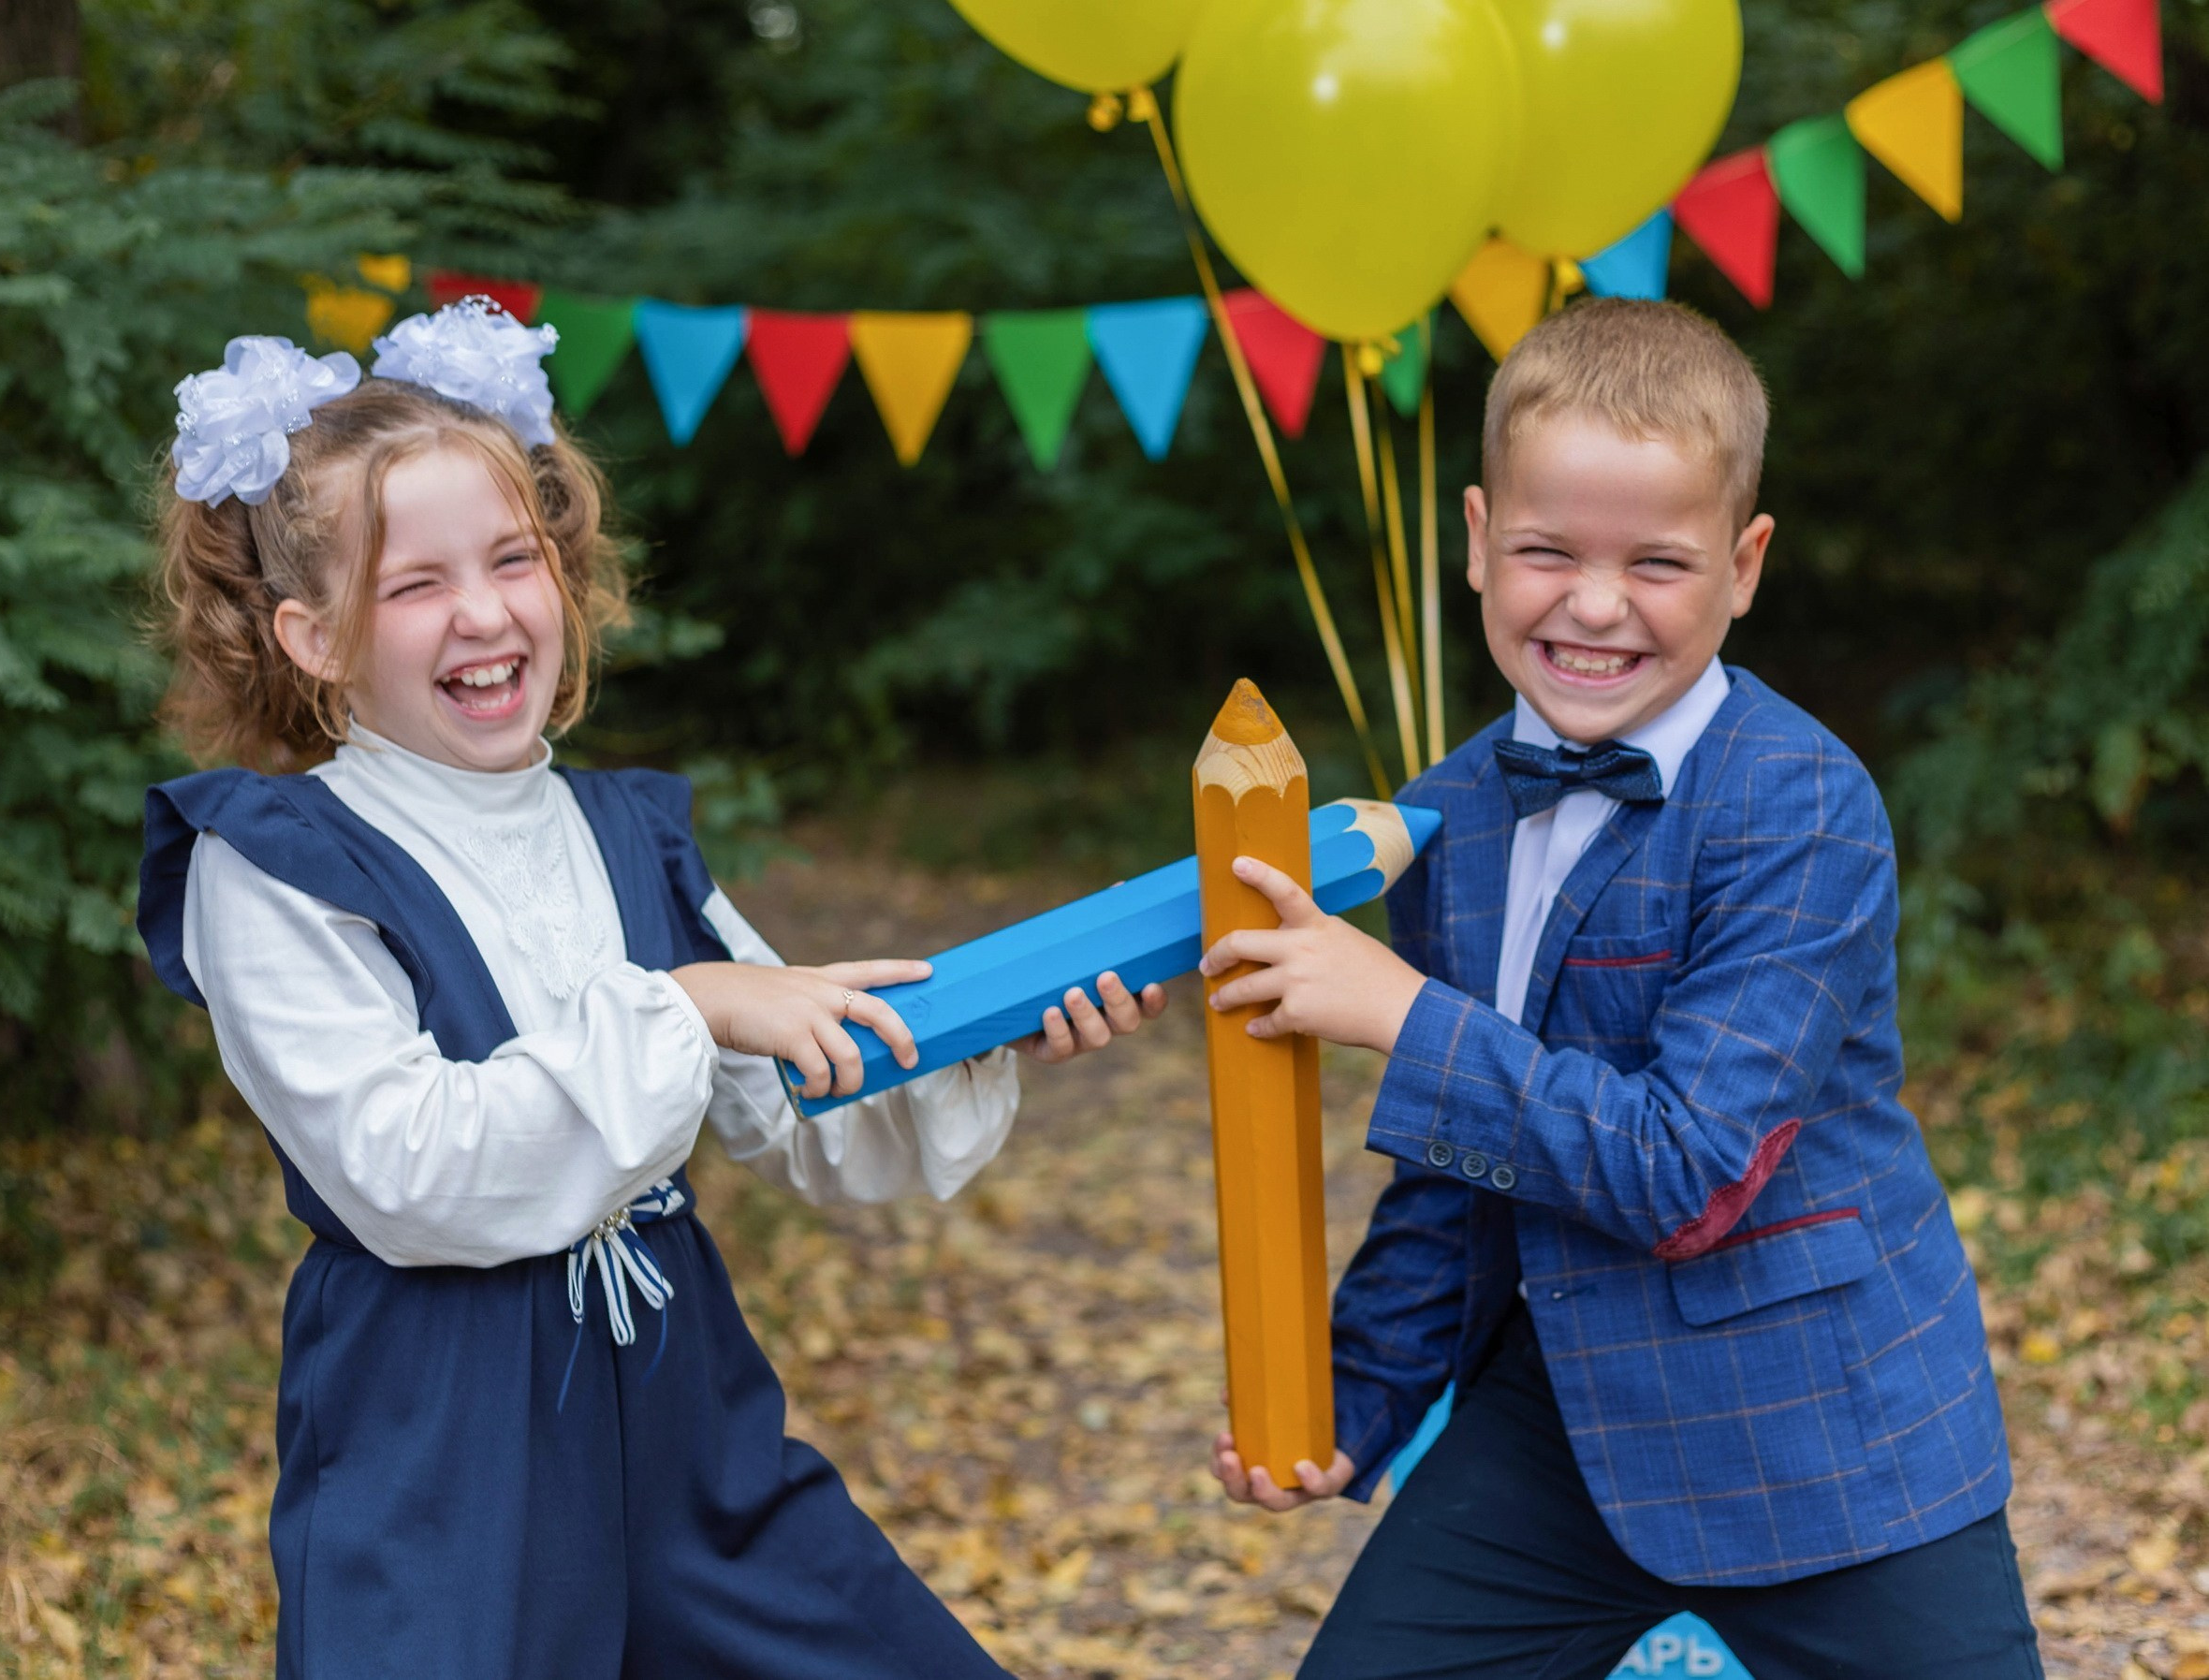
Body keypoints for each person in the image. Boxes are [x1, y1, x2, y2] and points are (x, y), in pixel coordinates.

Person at [135, 301, 1164, 1680]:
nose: (486, 612)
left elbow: (799, 1100)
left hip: (687, 1422)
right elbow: (402, 1165)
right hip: (444, 1448)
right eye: (416, 583)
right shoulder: (276, 863)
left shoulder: (628, 835)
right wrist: (693, 1007)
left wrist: (987, 1029)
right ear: (313, 637)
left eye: (514, 558)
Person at [1198, 299, 2040, 1679]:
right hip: (1558, 1417)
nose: (1595, 605)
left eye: (1657, 562)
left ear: (1743, 564)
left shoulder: (1803, 804)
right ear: (1478, 542)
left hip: (1822, 1433)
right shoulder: (1452, 812)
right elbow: (1457, 1166)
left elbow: (1688, 1172)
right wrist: (1355, 1395)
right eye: (1548, 552)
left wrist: (1401, 1015)